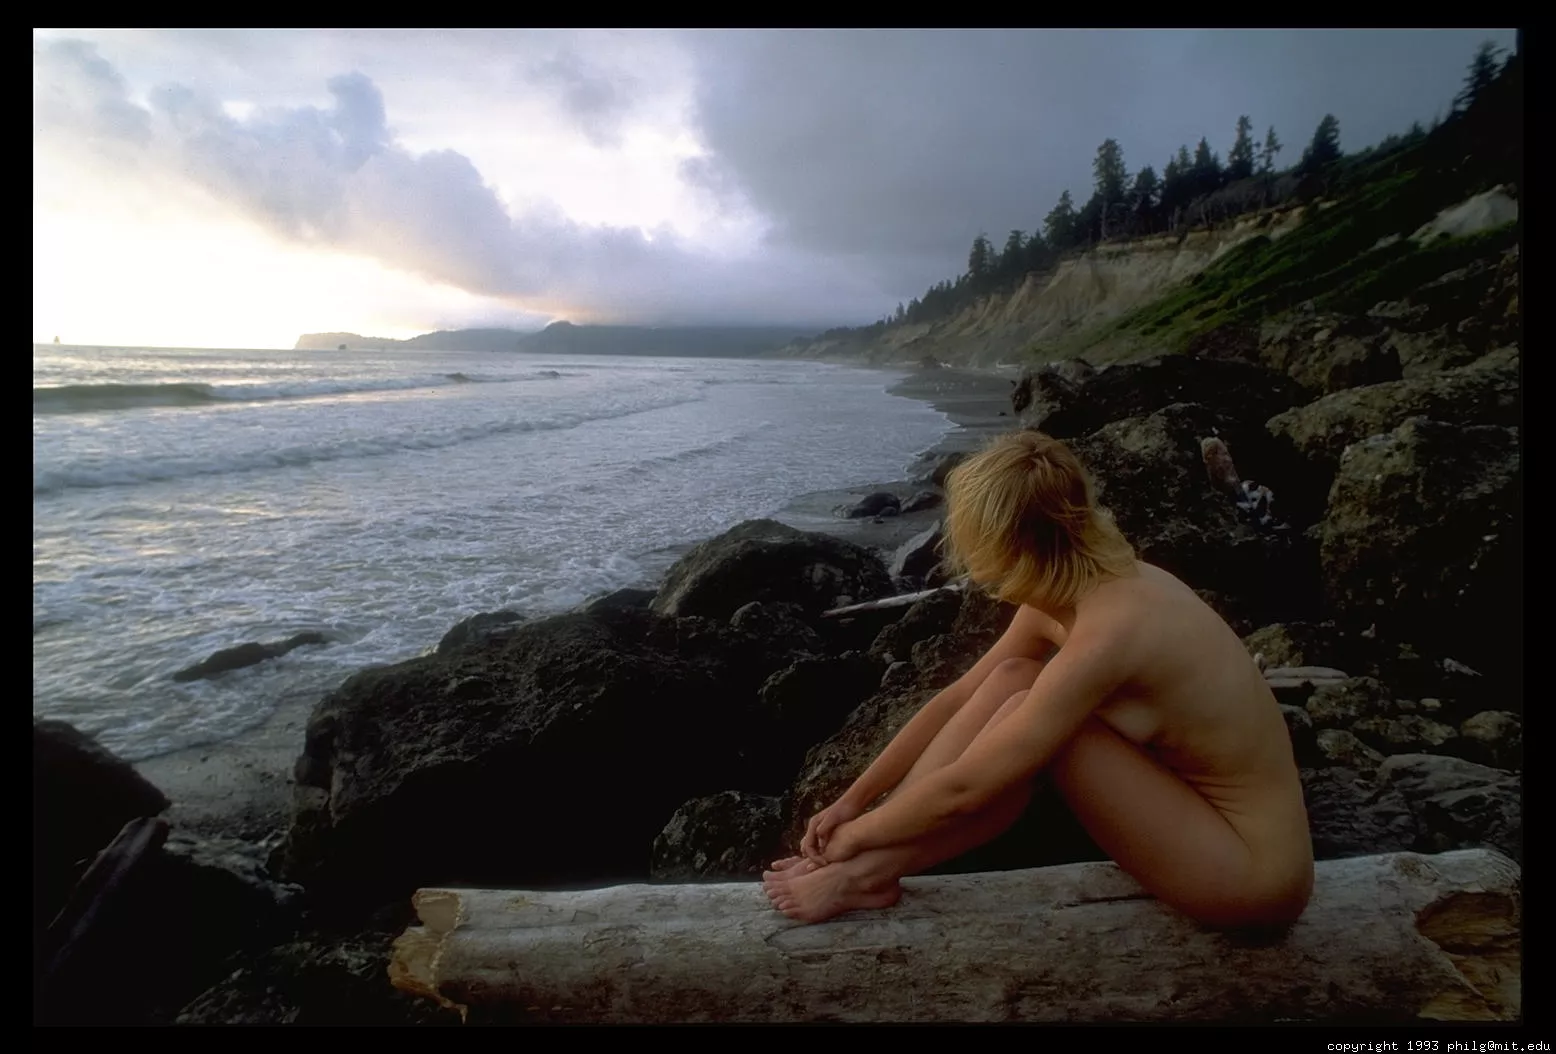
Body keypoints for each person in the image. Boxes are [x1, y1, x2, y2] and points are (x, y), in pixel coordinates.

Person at [762, 429, 1314, 928]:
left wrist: (848, 845)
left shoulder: (1110, 635)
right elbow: (957, 700)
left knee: (1041, 730)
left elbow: (968, 788)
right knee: (1011, 677)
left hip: (1253, 879)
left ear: (1008, 545)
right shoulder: (1077, 582)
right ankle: (869, 868)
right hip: (1185, 813)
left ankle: (864, 874)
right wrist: (853, 804)